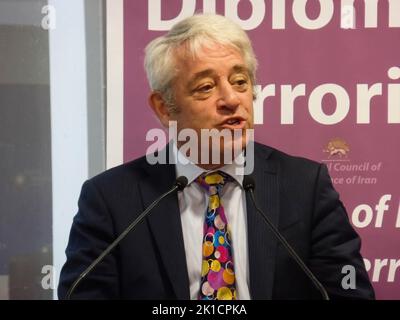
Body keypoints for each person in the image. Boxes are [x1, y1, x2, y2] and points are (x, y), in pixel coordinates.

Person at [58, 14, 375, 300]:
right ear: (163, 107)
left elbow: (349, 291)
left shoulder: (306, 187)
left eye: (240, 82)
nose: (231, 99)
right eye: (206, 87)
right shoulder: (110, 199)